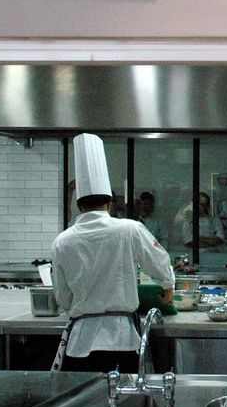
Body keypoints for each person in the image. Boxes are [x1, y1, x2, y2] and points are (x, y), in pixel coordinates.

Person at [51, 133, 174, 373]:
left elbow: (64, 299)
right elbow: (159, 263)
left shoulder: (62, 241)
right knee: (123, 405)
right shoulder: (129, 229)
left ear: (79, 206)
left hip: (79, 344)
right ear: (110, 203)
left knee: (84, 406)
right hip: (122, 339)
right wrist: (167, 284)